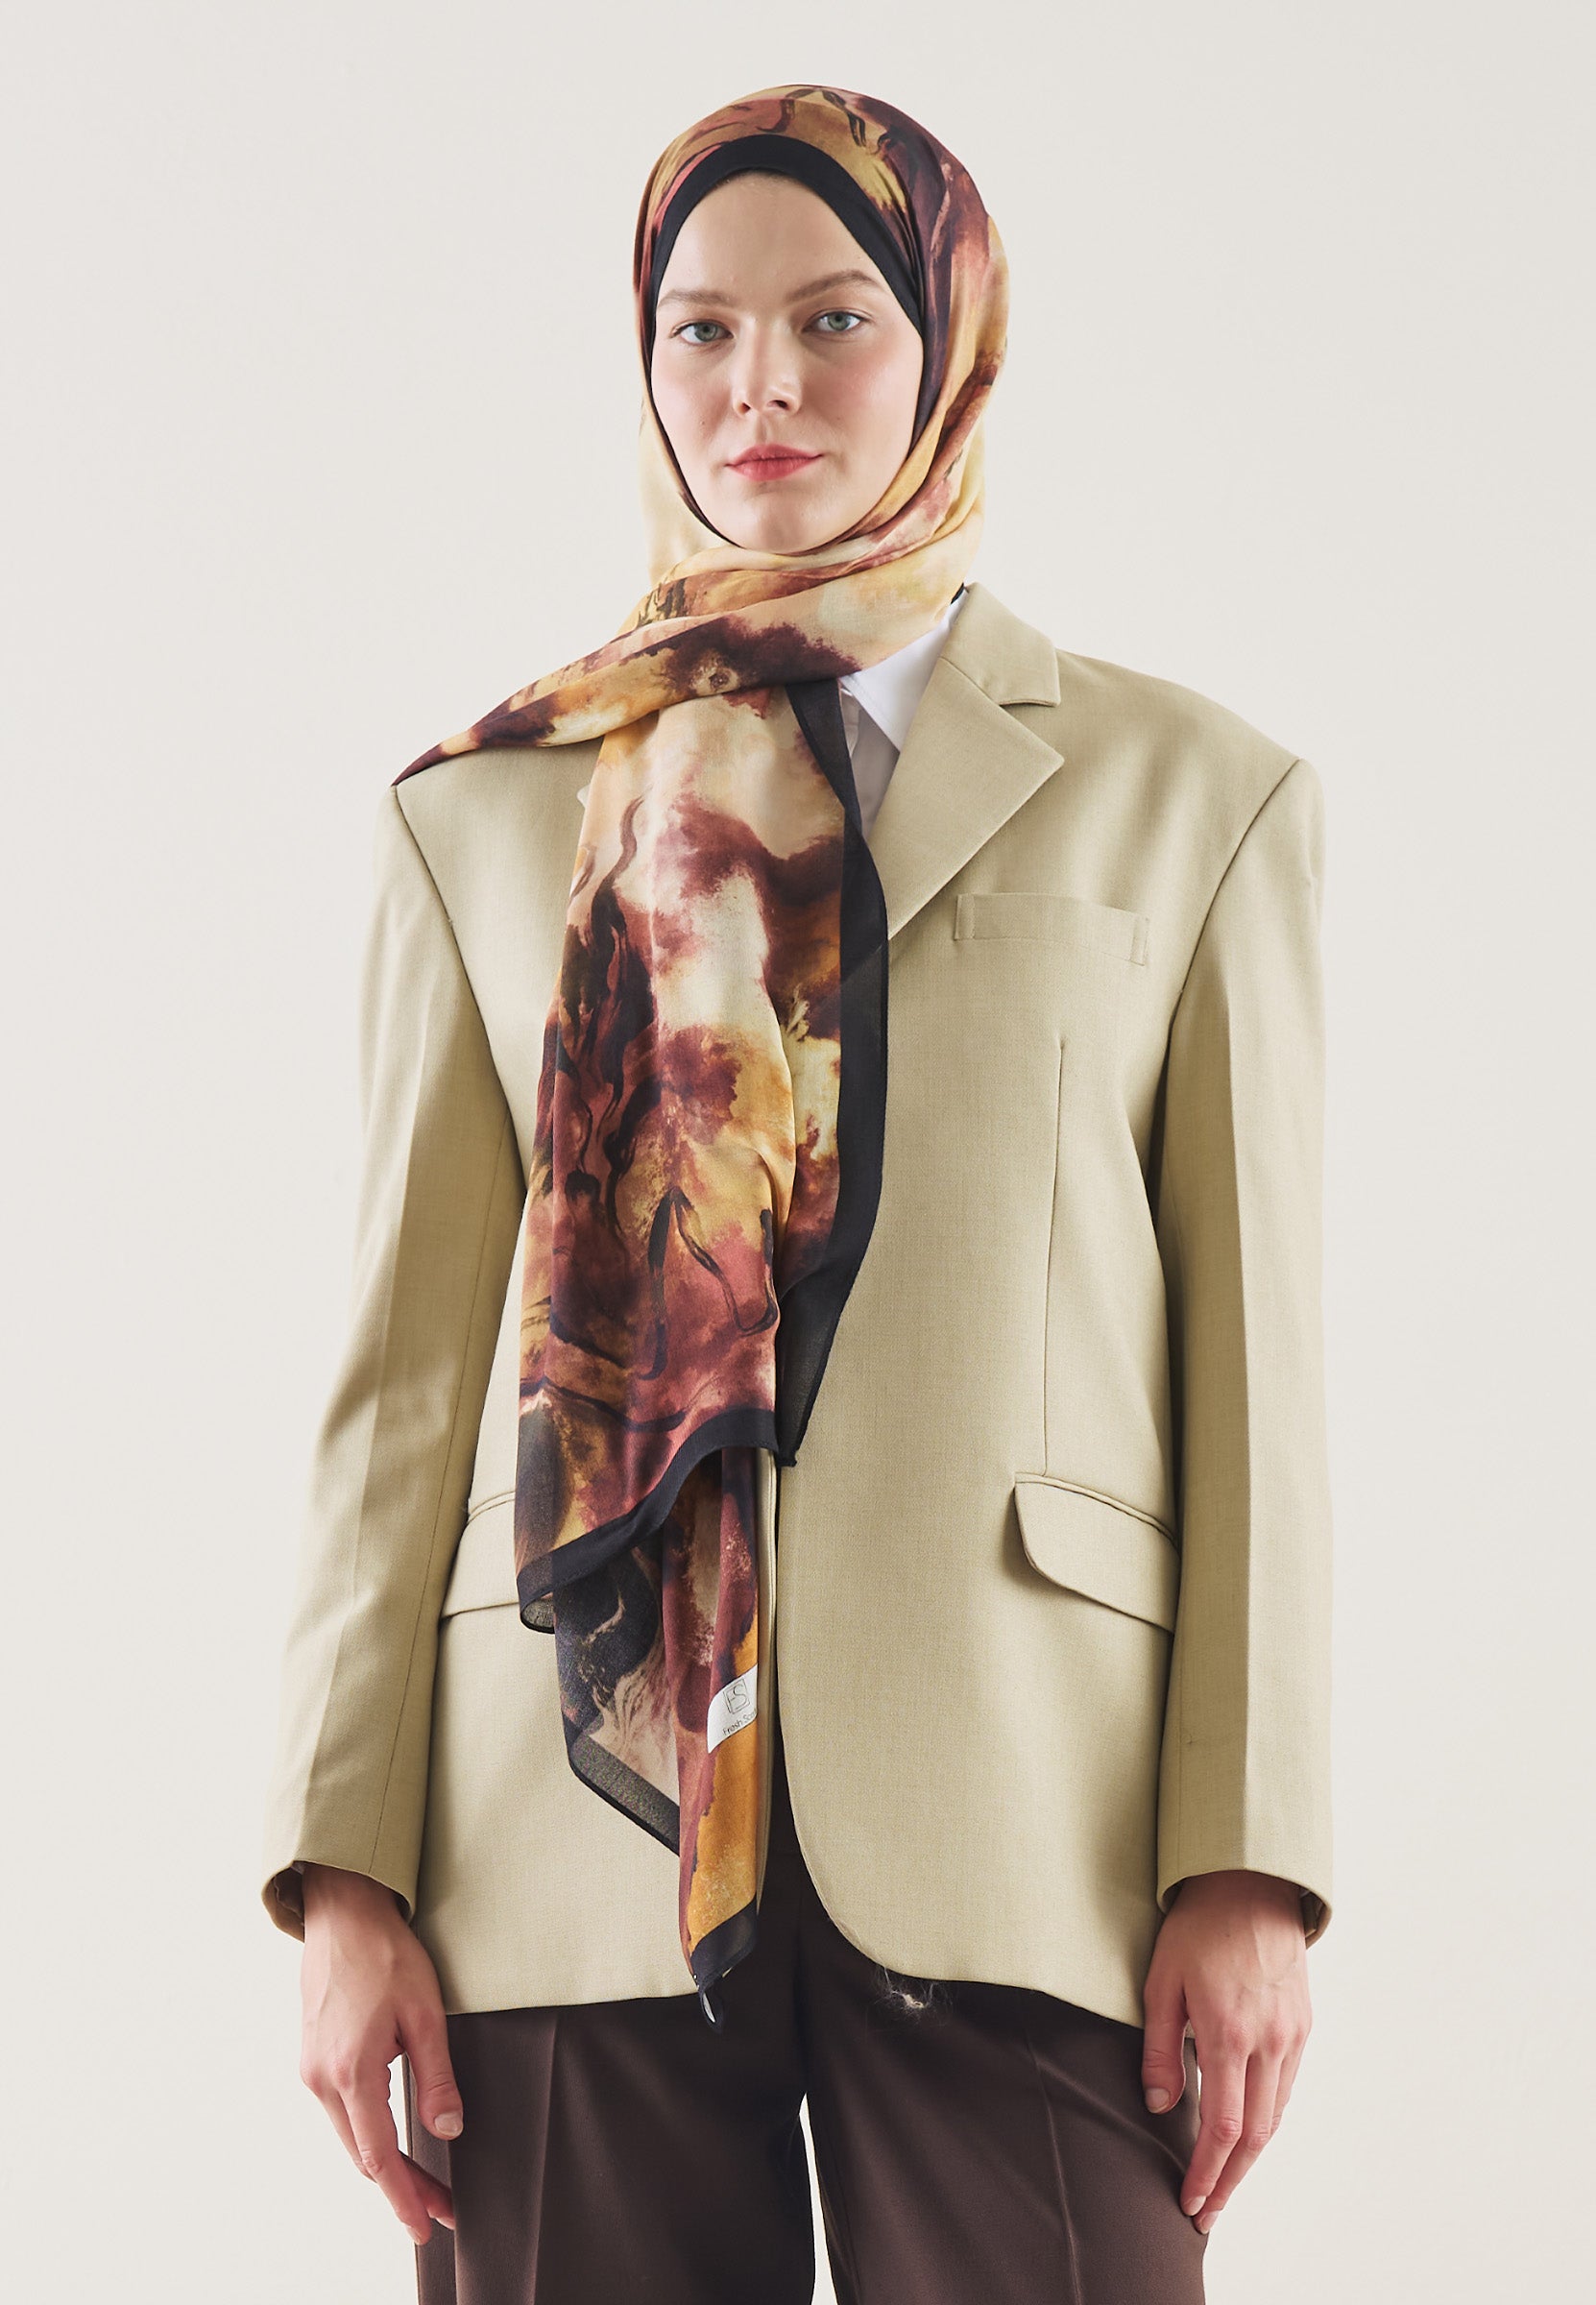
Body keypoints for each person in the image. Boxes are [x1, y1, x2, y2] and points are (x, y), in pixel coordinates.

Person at [260, 82, 1332, 2304]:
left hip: (1028, 1810)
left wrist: (1251, 1858)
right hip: (560, 1817)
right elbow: (399, 1394)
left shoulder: (1189, 796)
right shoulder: (480, 819)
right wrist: (340, 1869)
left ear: (950, 341)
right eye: (703, 330)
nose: (762, 387)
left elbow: (1261, 1376)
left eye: (836, 319)